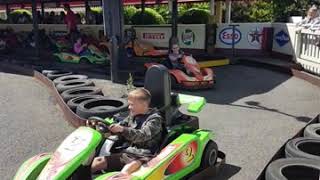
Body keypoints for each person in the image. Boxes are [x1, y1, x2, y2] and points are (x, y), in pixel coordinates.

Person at [88, 88, 163, 175]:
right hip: (129, 151)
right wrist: (107, 128)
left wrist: (123, 129)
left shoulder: (155, 119)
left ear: (143, 104)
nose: (129, 107)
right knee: (97, 161)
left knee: (125, 172)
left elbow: (142, 135)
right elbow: (121, 125)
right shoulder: (133, 114)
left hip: (144, 155)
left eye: (132, 104)